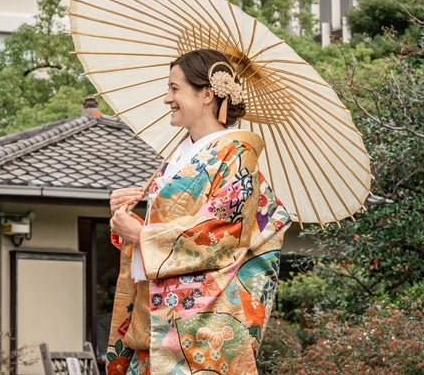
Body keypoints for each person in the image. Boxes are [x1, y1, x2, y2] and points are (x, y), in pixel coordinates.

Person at [105, 49, 291, 375]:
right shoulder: (180, 157)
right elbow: (162, 236)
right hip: (153, 322)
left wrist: (143, 235)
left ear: (206, 94)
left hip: (197, 330)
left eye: (174, 89)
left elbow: (223, 233)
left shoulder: (237, 155)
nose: (167, 99)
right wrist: (127, 220)